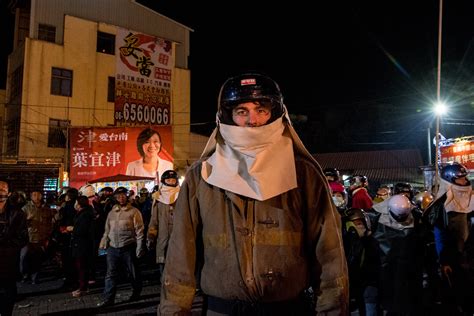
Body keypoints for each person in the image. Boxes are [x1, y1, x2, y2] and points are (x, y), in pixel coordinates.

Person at [158, 73, 348, 315]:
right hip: (222, 310)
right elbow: (180, 253)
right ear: (228, 116)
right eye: (241, 111)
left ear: (276, 112)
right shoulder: (202, 175)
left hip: (288, 309)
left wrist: (332, 310)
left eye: (261, 109)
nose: (252, 120)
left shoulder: (304, 174)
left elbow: (329, 252)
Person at [425, 162, 474, 314]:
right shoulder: (442, 204)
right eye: (460, 178)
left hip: (471, 256)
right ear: (449, 179)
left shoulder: (472, 197)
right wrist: (444, 260)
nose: (465, 181)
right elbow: (439, 234)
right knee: (457, 296)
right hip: (454, 259)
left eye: (465, 177)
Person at [97, 187, 145, 308]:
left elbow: (139, 231)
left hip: (128, 246)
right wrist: (104, 243)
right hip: (113, 247)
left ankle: (136, 291)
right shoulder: (112, 212)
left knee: (132, 272)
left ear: (127, 196)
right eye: (118, 196)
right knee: (110, 273)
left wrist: (140, 247)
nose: (121, 198)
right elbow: (107, 230)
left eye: (123, 195)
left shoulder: (134, 212)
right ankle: (108, 298)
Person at [0, 181, 28, 316]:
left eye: (3, 189)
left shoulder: (18, 213)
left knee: (8, 291)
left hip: (7, 260)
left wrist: (6, 242)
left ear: (9, 193)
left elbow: (23, 238)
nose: (0, 191)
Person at [147, 170, 180, 277]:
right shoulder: (158, 198)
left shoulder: (182, 195)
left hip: (179, 235)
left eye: (173, 179)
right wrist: (151, 236)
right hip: (163, 236)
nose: (171, 182)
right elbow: (154, 220)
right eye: (168, 180)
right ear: (164, 181)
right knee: (163, 261)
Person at [70, 195, 95, 297]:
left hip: (82, 244)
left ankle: (83, 288)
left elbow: (82, 230)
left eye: (76, 203)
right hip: (83, 244)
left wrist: (72, 229)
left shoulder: (84, 215)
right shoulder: (86, 213)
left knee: (82, 266)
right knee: (83, 266)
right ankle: (84, 286)